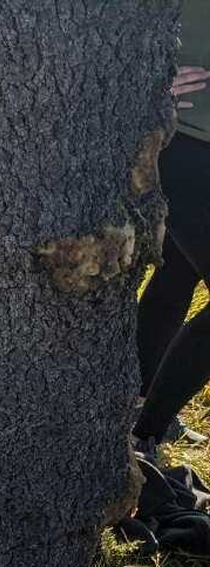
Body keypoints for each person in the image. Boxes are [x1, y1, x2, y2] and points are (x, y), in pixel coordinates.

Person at [134, 23, 210, 451]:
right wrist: (148, 80)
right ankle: (145, 434)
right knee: (176, 273)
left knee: (177, 273)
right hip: (185, 143)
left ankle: (139, 406)